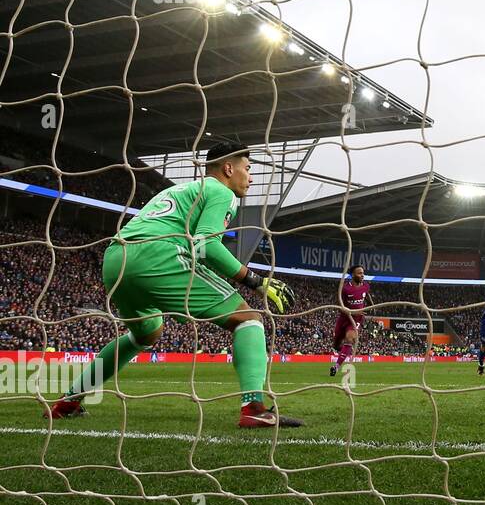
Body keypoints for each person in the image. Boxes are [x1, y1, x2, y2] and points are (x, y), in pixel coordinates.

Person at [47, 143, 301, 428]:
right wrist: (255, 281)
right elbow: (206, 245)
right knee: (249, 320)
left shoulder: (175, 190)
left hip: (116, 259)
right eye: (248, 169)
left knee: (146, 334)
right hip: (158, 256)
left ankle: (69, 401)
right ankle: (254, 408)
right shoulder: (221, 191)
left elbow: (191, 244)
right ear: (228, 169)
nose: (250, 177)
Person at [331, 264, 370, 377]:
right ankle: (342, 350)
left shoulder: (366, 286)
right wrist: (353, 312)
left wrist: (371, 304)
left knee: (349, 339)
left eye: (363, 273)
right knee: (336, 344)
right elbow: (340, 305)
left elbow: (366, 294)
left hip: (356, 320)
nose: (362, 275)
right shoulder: (345, 288)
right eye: (359, 273)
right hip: (344, 318)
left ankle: (336, 367)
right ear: (353, 275)